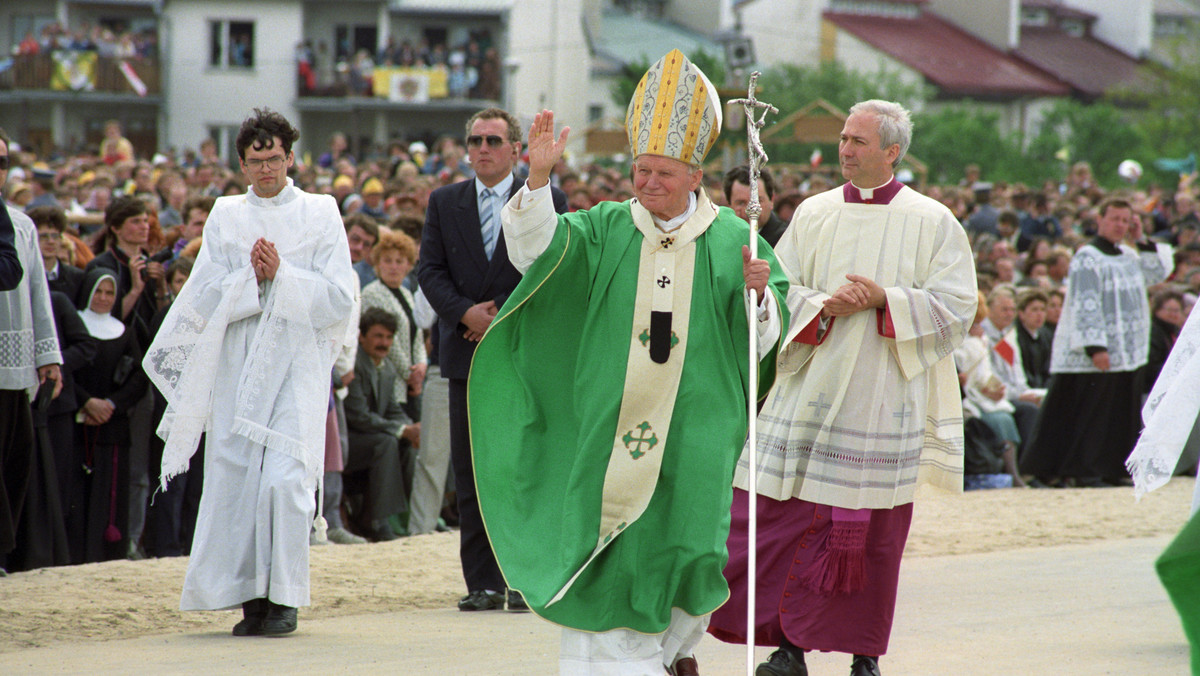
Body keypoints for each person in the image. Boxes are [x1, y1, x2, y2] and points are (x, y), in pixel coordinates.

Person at [470, 50, 788, 675]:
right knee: (611, 562)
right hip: (609, 434)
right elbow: (534, 252)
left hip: (698, 435)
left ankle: (672, 656)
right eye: (641, 170)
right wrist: (536, 182)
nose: (647, 184)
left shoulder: (734, 241)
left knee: (691, 552)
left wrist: (759, 297)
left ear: (696, 175)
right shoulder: (605, 229)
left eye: (662, 173)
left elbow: (766, 343)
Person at [708, 100, 976, 676]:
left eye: (857, 140)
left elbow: (958, 307)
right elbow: (782, 291)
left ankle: (865, 656)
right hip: (813, 384)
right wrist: (812, 302)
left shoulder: (933, 220)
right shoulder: (813, 212)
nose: (845, 148)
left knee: (872, 539)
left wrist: (887, 299)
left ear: (892, 152)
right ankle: (789, 649)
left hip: (882, 395)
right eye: (843, 137)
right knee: (787, 518)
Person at [142, 108, 355, 636]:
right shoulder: (225, 214)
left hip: (296, 360)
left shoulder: (321, 211)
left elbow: (338, 295)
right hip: (239, 358)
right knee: (238, 480)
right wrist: (253, 281)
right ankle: (249, 600)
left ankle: (284, 599)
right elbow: (208, 290)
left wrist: (282, 276)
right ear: (242, 162)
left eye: (275, 157)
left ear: (290, 157)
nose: (267, 169)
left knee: (283, 482)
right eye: (256, 160)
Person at [417, 106, 567, 613]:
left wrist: (505, 317)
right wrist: (464, 314)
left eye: (494, 141)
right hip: (465, 352)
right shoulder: (445, 201)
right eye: (476, 140)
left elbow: (556, 269)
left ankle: (523, 578)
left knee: (525, 466)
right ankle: (482, 582)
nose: (483, 148)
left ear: (516, 150)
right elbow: (430, 270)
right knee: (473, 469)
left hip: (523, 352)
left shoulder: (548, 198)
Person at [1020, 198, 1169, 487]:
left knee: (1120, 414)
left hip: (1128, 349)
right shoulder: (1087, 256)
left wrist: (1141, 239)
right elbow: (1085, 302)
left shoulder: (1128, 254)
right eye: (1115, 219)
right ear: (1100, 219)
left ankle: (1114, 468)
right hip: (1095, 351)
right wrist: (1096, 347)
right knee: (1089, 414)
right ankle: (1080, 470)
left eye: (1126, 221)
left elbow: (1158, 274)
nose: (1120, 225)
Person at [0, 131, 63, 576]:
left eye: (3, 162)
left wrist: (48, 354)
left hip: (13, 357)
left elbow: (38, 292)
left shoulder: (20, 225)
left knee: (15, 458)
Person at [70, 269, 147, 563]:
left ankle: (108, 556)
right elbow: (63, 367)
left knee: (110, 495)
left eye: (109, 293)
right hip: (77, 424)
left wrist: (111, 404)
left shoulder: (123, 333)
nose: (103, 298)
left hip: (113, 426)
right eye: (98, 292)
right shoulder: (73, 325)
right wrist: (87, 401)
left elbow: (140, 378)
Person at [342, 307, 420, 541]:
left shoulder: (386, 369)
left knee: (408, 443)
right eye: (378, 336)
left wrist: (412, 429)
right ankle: (377, 521)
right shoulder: (355, 365)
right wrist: (402, 430)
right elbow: (358, 416)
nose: (383, 343)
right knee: (388, 442)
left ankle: (410, 515)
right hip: (348, 442)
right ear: (362, 337)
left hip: (370, 437)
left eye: (388, 337)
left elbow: (393, 410)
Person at [360, 231, 426, 415]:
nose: (393, 266)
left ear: (409, 265)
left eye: (399, 261)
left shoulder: (406, 294)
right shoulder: (372, 293)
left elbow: (418, 334)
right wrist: (410, 376)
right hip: (390, 381)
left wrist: (421, 366)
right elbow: (389, 343)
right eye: (387, 260)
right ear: (378, 264)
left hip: (413, 382)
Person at [28, 205, 86, 305]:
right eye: (43, 236)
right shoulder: (26, 276)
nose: (51, 241)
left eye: (55, 236)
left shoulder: (77, 277)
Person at [724, 165, 787, 247]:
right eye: (741, 203)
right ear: (729, 205)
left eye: (757, 201)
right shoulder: (721, 239)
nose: (750, 209)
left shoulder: (785, 240)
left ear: (771, 200)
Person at [1015, 288, 1052, 389]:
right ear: (1021, 314)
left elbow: (1048, 369)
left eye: (1043, 309)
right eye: (1034, 309)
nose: (1039, 314)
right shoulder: (1015, 337)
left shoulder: (1046, 335)